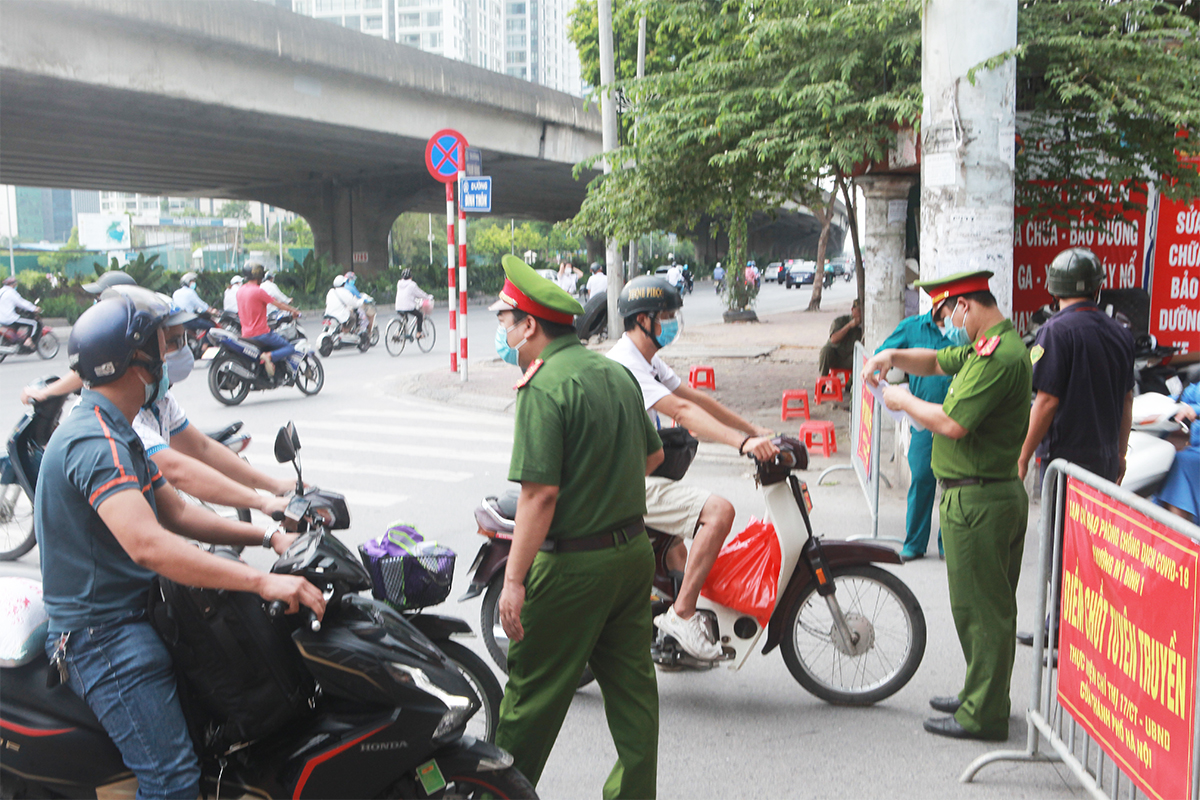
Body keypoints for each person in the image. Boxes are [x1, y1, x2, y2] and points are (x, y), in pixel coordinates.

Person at [35, 290, 324, 800]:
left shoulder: (117, 429)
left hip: (135, 612)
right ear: (133, 362)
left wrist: (268, 532)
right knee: (171, 778)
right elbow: (151, 546)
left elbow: (178, 513)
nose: (168, 357)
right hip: (102, 636)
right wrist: (261, 580)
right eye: (160, 346)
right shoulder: (93, 442)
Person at [490, 254, 663, 798]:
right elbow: (650, 459)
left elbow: (539, 495)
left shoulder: (543, 387)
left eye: (505, 320)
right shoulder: (614, 373)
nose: (503, 331)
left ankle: (498, 793)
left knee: (532, 696)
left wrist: (513, 580)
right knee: (634, 692)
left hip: (572, 570)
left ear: (530, 326)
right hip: (632, 555)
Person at [862, 270, 1031, 742]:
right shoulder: (983, 348)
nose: (951, 322)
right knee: (976, 607)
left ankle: (984, 714)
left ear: (969, 306)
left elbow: (952, 424)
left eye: (952, 311)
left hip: (981, 499)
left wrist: (900, 398)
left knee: (984, 611)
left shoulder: (999, 356)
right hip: (973, 494)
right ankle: (983, 694)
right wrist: (893, 355)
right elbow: (937, 361)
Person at [608, 275, 778, 661]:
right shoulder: (626, 365)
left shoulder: (645, 360)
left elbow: (693, 397)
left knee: (680, 556)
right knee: (719, 513)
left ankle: (671, 640)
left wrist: (751, 429)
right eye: (665, 315)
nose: (671, 323)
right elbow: (682, 411)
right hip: (623, 482)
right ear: (642, 320)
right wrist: (742, 444)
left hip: (639, 473)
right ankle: (681, 616)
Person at [22, 287, 295, 520]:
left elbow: (199, 451)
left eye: (180, 341)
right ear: (134, 356)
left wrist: (274, 488)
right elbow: (176, 475)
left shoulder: (157, 398)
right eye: (168, 344)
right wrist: (261, 504)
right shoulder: (113, 424)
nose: (169, 355)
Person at [1018, 248, 1135, 485]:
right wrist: (1120, 455)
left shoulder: (1054, 332)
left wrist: (1022, 457)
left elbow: (1047, 401)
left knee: (1059, 523)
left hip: (1065, 467)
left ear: (1053, 290)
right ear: (1097, 289)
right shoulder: (1121, 334)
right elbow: (1127, 399)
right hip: (1105, 463)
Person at [875, 304, 954, 560]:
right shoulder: (913, 328)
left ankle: (948, 544)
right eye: (952, 304)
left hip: (956, 417)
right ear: (940, 303)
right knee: (921, 476)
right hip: (922, 418)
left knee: (953, 482)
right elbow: (884, 353)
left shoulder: (963, 331)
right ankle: (915, 543)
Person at [237, 264, 302, 378]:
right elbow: (279, 304)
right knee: (290, 348)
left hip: (246, 334)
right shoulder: (258, 291)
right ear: (259, 276)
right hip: (261, 334)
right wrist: (294, 311)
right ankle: (269, 356)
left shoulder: (240, 291)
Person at [1158, 380, 1199, 522]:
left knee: (1181, 462)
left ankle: (1180, 534)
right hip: (1195, 448)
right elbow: (1184, 396)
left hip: (1195, 454)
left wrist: (1196, 410)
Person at [819, 299, 862, 376]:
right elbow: (833, 339)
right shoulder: (840, 321)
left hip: (850, 359)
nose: (860, 314)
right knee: (825, 350)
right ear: (852, 310)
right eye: (858, 311)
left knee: (860, 359)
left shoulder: (863, 327)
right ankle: (822, 380)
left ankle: (850, 385)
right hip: (835, 356)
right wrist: (849, 326)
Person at [0, 275, 41, 346]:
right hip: (9, 318)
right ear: (12, 284)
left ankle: (18, 341)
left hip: (1, 319)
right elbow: (22, 303)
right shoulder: (11, 293)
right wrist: (34, 308)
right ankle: (28, 340)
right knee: (34, 323)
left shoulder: (1, 291)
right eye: (15, 284)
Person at [394, 268, 433, 336]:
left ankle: (398, 333)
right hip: (408, 307)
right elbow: (420, 294)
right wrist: (428, 297)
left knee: (405, 319)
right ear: (411, 277)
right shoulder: (412, 285)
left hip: (398, 306)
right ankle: (418, 333)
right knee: (420, 316)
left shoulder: (399, 283)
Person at [342, 270, 375, 335]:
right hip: (352, 306)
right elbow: (359, 296)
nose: (353, 281)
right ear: (348, 279)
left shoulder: (343, 287)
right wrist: (366, 299)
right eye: (352, 279)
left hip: (344, 307)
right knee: (365, 318)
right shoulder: (351, 288)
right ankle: (364, 332)